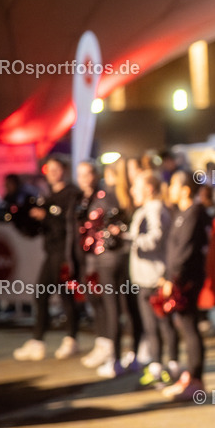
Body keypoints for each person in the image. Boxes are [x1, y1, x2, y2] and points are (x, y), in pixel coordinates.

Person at [13, 155, 83, 361]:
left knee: (62, 296)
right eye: (49, 169)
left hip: (65, 253)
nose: (52, 174)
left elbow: (69, 226)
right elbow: (41, 226)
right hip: (51, 251)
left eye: (56, 169)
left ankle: (68, 338)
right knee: (44, 295)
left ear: (64, 170)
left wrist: (47, 217)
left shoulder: (72, 194)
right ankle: (40, 341)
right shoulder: (48, 194)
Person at [79, 158, 137, 378]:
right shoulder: (121, 194)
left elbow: (107, 226)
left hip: (109, 258)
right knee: (122, 306)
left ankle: (115, 359)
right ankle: (127, 354)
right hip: (115, 258)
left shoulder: (106, 196)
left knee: (114, 307)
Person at [159, 170, 212, 401]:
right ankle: (189, 376)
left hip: (187, 280)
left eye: (172, 185)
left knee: (190, 328)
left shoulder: (195, 213)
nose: (169, 190)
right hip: (178, 278)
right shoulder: (182, 213)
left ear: (185, 190)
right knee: (184, 325)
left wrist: (174, 279)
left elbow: (186, 251)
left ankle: (196, 381)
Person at [128, 170, 177, 386]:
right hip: (147, 277)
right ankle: (159, 365)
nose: (131, 191)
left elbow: (155, 239)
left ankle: (168, 366)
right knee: (153, 326)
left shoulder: (154, 209)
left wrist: (129, 239)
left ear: (148, 189)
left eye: (135, 187)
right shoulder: (147, 209)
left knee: (162, 325)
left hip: (154, 278)